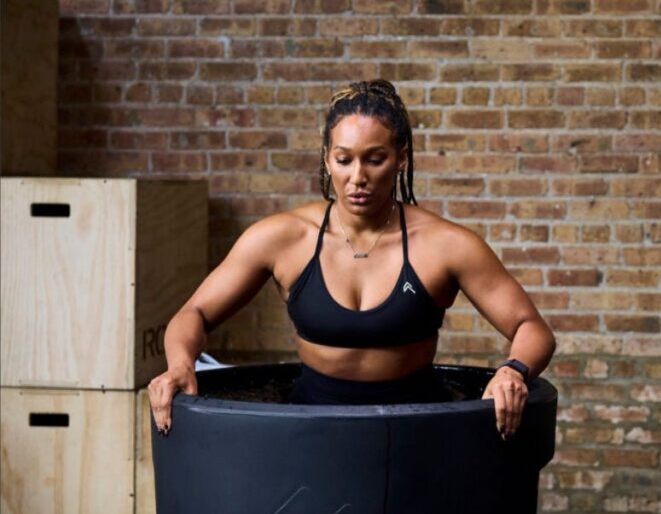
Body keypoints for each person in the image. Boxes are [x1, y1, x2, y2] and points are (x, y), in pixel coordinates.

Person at [149, 79, 556, 441]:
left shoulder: (445, 244)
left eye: (374, 159)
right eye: (344, 160)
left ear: (401, 158)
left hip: (418, 428)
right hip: (311, 424)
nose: (357, 177)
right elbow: (195, 314)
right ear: (327, 158)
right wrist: (181, 364)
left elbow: (531, 327)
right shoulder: (281, 238)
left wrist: (513, 370)